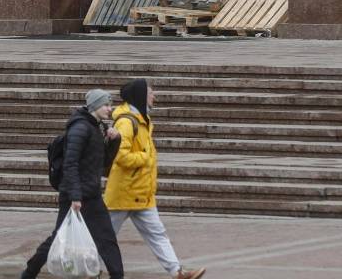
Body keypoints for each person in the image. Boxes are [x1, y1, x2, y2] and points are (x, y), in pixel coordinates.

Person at [105, 79, 206, 279]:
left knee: (157, 234)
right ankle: (83, 268)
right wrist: (145, 157)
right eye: (151, 92)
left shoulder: (142, 118)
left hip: (141, 193)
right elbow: (120, 156)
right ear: (141, 96)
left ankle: (177, 272)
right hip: (124, 193)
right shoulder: (127, 122)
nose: (154, 96)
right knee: (104, 237)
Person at [21, 89, 124, 279]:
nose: (110, 109)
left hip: (91, 195)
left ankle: (118, 275)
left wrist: (115, 141)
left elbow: (103, 165)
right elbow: (70, 163)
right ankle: (29, 272)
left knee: (107, 238)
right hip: (74, 196)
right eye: (106, 105)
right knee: (58, 238)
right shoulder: (80, 128)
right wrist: (75, 196)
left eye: (110, 105)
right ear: (94, 106)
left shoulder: (98, 127)